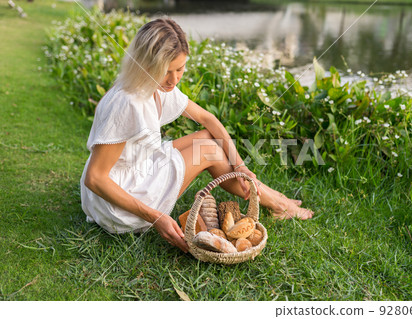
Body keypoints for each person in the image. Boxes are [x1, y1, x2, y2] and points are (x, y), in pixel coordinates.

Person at [80, 17, 314, 253]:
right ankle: (278, 204)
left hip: (138, 169)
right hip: (118, 207)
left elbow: (208, 120)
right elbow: (95, 178)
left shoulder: (155, 84)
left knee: (207, 137)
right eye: (165, 71)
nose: (173, 80)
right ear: (145, 64)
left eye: (180, 69)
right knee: (209, 150)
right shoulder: (125, 103)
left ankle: (276, 200)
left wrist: (240, 164)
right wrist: (157, 217)